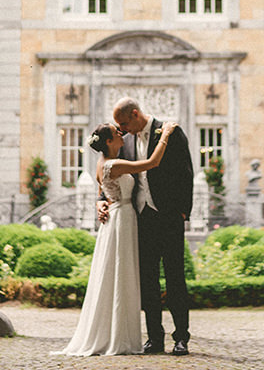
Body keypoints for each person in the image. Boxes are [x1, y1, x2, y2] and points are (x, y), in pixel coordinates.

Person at [53, 121, 175, 356]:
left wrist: (101, 203)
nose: (122, 135)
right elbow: (152, 163)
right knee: (121, 273)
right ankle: (118, 335)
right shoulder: (113, 164)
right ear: (109, 142)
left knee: (116, 273)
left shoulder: (103, 164)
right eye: (117, 133)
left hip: (119, 216)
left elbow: (105, 193)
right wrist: (166, 135)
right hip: (122, 218)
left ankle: (116, 331)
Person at [111, 97, 194, 356]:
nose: (122, 129)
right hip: (141, 217)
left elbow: (186, 173)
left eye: (124, 123)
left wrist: (182, 212)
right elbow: (113, 175)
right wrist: (103, 201)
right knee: (147, 280)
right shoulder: (125, 141)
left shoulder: (171, 131)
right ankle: (154, 338)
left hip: (169, 217)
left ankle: (181, 338)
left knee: (175, 278)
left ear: (136, 114)